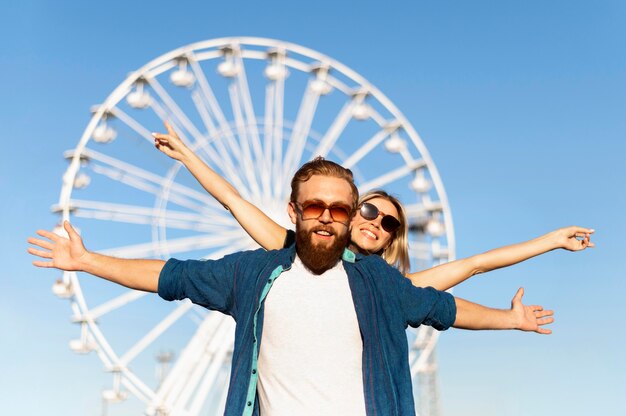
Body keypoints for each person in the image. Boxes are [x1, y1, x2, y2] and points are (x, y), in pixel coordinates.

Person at [29, 158, 555, 416]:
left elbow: (448, 303)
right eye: (314, 206)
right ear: (294, 212)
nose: (329, 216)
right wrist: (87, 260)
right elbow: (172, 275)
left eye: (342, 209)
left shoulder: (382, 286)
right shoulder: (254, 272)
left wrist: (511, 317)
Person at [152, 122, 594, 288]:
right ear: (345, 212)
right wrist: (189, 155)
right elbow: (234, 201)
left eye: (388, 224)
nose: (376, 222)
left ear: (390, 241)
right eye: (366, 210)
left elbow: (476, 264)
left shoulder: (389, 287)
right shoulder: (289, 248)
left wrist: (552, 240)